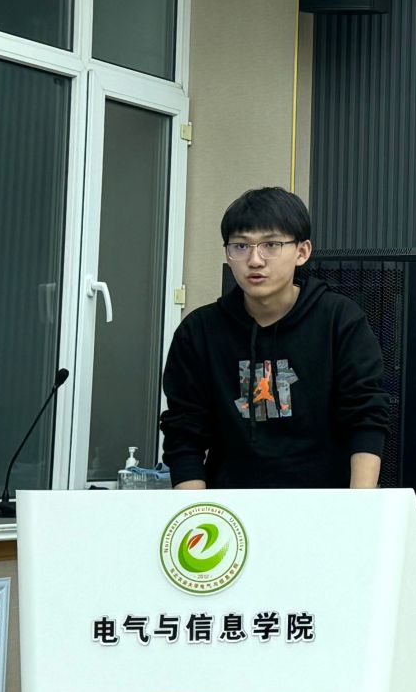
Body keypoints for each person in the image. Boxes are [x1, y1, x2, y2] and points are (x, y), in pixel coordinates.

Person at [159, 187, 394, 490]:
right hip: (231, 508)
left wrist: (358, 506)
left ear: (302, 252)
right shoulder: (199, 331)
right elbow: (184, 433)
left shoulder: (339, 320)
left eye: (271, 244)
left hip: (325, 502)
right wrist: (199, 511)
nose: (255, 260)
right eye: (240, 246)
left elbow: (366, 417)